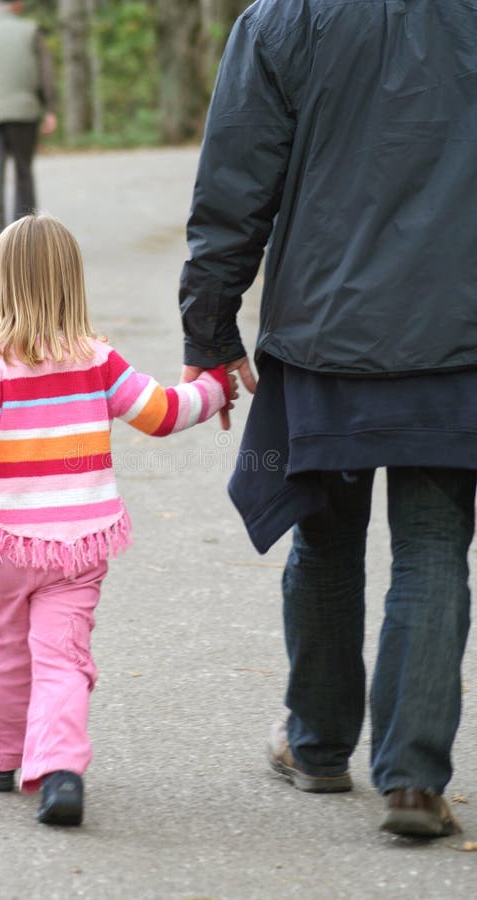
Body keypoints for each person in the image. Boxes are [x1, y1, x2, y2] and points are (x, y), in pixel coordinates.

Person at [179, 0, 477, 838]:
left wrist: (209, 328)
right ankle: (414, 783)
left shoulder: (282, 19)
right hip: (456, 333)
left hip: (324, 331)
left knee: (325, 534)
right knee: (432, 546)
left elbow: (235, 185)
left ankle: (315, 748)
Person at [0, 213, 235, 827]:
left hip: (4, 549)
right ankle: (60, 772)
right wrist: (213, 387)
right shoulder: (98, 361)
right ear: (73, 285)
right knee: (62, 656)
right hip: (78, 548)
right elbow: (159, 413)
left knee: (3, 650)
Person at [0, 1, 57, 244]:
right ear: (16, 5)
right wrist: (50, 109)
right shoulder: (30, 30)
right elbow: (45, 74)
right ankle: (25, 236)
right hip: (23, 111)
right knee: (23, 171)